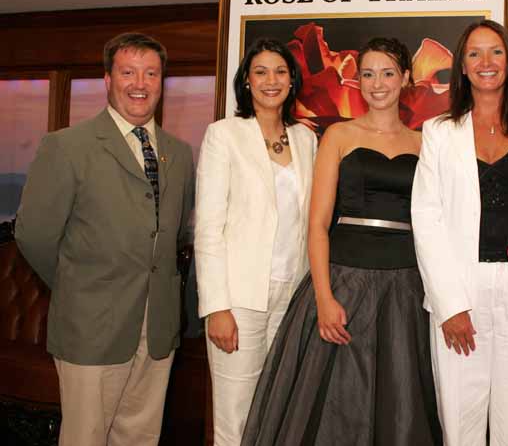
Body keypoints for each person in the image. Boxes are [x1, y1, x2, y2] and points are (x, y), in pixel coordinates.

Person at [241, 37, 442, 445]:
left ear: (405, 79)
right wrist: (323, 298)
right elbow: (317, 225)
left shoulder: (427, 143)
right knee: (337, 408)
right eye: (367, 74)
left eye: (387, 73)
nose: (377, 83)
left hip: (405, 289)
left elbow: (435, 223)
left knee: (401, 402)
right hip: (343, 283)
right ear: (358, 81)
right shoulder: (337, 137)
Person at [15, 32, 195, 446]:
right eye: (128, 72)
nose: (140, 83)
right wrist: (78, 286)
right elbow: (34, 233)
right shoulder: (66, 147)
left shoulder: (180, 154)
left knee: (140, 439)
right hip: (90, 328)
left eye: (151, 73)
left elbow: (176, 232)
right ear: (107, 80)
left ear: (162, 82)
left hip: (158, 327)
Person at [411, 19, 508, 445]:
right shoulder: (439, 132)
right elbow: (427, 219)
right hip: (462, 293)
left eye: (495, 51)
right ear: (461, 66)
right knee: (461, 428)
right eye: (474, 53)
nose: (485, 62)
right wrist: (449, 305)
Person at [194, 38, 317, 445]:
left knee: (279, 409)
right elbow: (208, 227)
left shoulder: (306, 140)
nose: (271, 80)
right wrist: (216, 307)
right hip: (240, 299)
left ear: (292, 80)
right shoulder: (224, 135)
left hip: (292, 295)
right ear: (246, 81)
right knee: (236, 418)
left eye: (280, 72)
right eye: (261, 71)